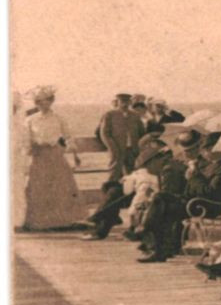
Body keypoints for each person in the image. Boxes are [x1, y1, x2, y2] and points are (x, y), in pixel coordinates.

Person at [20, 86, 82, 231]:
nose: (42, 104)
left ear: (51, 101)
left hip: (55, 155)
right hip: (39, 156)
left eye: (45, 101)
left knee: (60, 186)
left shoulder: (59, 118)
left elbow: (68, 135)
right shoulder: (30, 120)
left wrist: (71, 148)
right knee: (39, 187)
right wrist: (28, 150)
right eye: (38, 102)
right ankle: (40, 222)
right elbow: (26, 139)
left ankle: (62, 221)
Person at [97, 93, 142, 184]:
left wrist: (137, 148)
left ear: (130, 102)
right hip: (117, 149)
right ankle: (111, 193)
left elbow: (141, 132)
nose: (125, 104)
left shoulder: (135, 115)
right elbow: (104, 133)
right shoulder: (110, 114)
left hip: (132, 150)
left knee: (132, 175)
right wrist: (113, 148)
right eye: (122, 102)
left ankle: (129, 196)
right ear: (118, 102)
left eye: (127, 102)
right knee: (114, 173)